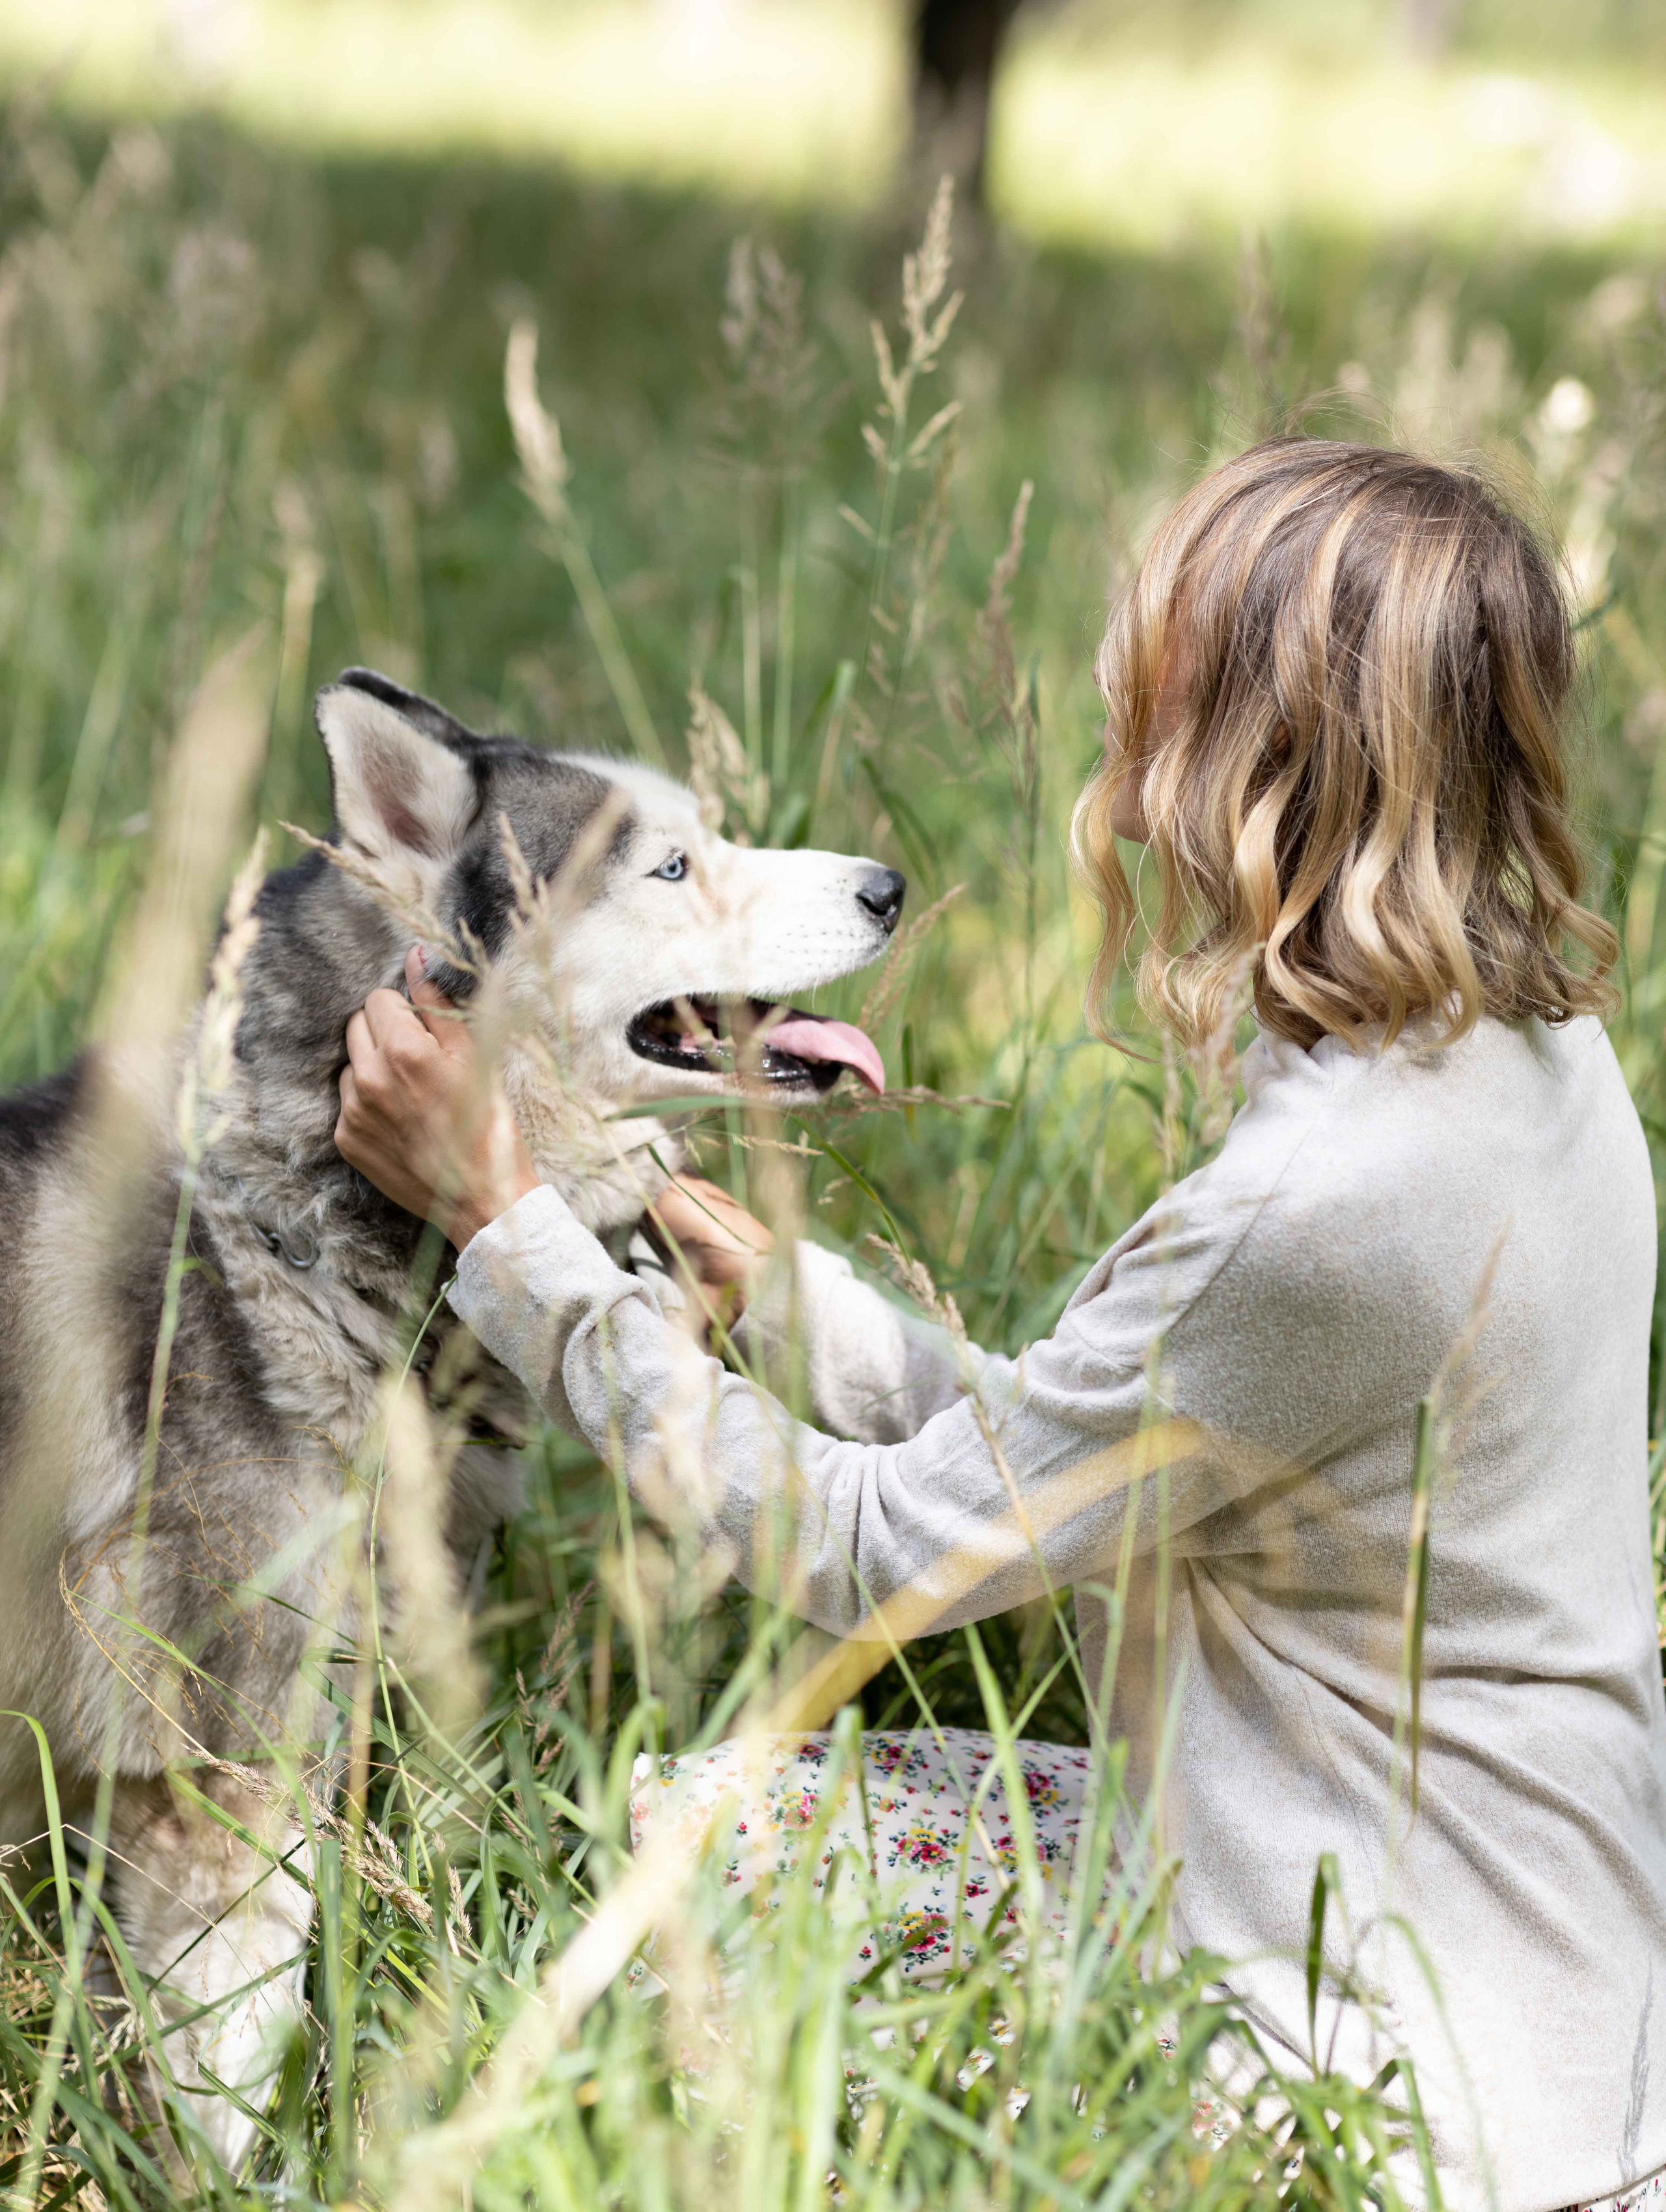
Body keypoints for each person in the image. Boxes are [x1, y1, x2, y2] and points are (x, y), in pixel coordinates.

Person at [334, 437, 1666, 2212]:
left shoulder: (1328, 1207)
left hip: (1394, 2066)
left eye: (1156, 680)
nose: (1115, 717)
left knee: (683, 1867)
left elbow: (872, 1554)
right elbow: (1108, 1455)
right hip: (1528, 1943)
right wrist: (784, 1309)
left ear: (1255, 758)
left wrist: (508, 1234)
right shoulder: (1523, 1049)